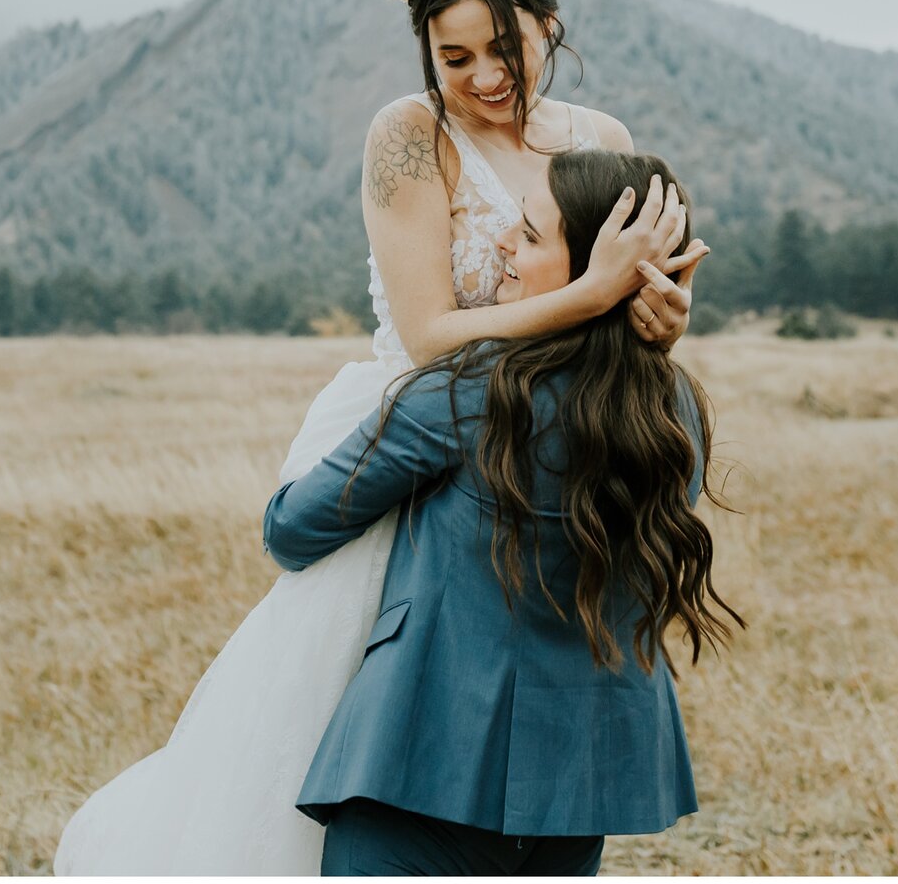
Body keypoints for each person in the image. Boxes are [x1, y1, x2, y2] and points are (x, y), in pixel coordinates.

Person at [51, 0, 708, 875]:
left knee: (544, 646)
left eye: (506, 49)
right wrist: (588, 296)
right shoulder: (409, 136)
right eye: (453, 58)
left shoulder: (601, 137)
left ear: (549, 26)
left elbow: (642, 290)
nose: (484, 77)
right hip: (432, 424)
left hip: (565, 428)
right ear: (425, 55)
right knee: (373, 701)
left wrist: (657, 315)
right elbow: (431, 334)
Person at [266, 148, 741, 875]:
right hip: (579, 781)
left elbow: (293, 528)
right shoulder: (675, 414)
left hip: (420, 763)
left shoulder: (466, 392)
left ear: (592, 272)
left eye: (530, 233)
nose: (503, 243)